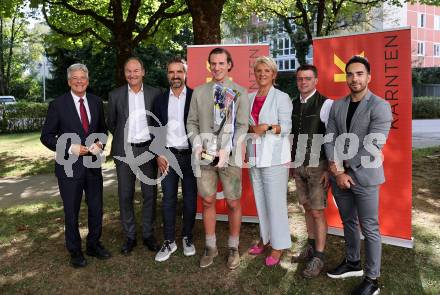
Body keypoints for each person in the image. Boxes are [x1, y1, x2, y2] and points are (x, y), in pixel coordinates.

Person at [324, 55, 392, 295]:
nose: (354, 78)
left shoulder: (380, 106)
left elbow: (373, 145)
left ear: (369, 77)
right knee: (349, 222)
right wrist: (336, 169)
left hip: (365, 177)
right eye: (350, 74)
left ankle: (372, 280)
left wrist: (345, 169)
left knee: (370, 227)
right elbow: (330, 137)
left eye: (359, 74)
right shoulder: (338, 105)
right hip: (339, 175)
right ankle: (353, 263)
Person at [41, 63, 110, 268]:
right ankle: (75, 251)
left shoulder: (97, 102)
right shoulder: (58, 104)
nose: (79, 81)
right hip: (69, 167)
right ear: (69, 81)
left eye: (83, 78)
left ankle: (93, 244)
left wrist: (100, 143)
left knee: (96, 208)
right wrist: (69, 147)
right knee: (71, 211)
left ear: (87, 81)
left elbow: (103, 131)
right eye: (75, 78)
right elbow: (46, 136)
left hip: (92, 165)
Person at [186, 47, 249, 269]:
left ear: (229, 65)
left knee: (233, 201)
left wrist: (228, 148)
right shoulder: (199, 92)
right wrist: (196, 142)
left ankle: (233, 247)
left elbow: (243, 126)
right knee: (208, 200)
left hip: (229, 158)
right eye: (213, 63)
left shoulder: (240, 92)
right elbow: (191, 122)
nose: (217, 67)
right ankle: (211, 246)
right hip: (204, 157)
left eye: (221, 63)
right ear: (209, 65)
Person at [107, 57, 161, 255]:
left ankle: (148, 234)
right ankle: (130, 236)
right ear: (124, 73)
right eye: (128, 71)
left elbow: (159, 121)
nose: (132, 74)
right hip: (124, 151)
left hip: (148, 150)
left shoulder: (156, 93)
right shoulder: (115, 95)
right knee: (125, 195)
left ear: (143, 72)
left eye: (136, 70)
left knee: (150, 194)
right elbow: (112, 123)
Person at [246, 56, 292, 266]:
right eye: (259, 71)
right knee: (260, 200)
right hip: (254, 156)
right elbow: (246, 126)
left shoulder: (281, 97)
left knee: (276, 203)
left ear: (274, 74)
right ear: (255, 74)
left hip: (275, 158)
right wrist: (252, 130)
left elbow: (287, 127)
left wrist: (268, 128)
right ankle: (266, 239)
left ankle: (279, 245)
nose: (262, 74)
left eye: (267, 71)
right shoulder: (249, 98)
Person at [152, 58, 197, 262]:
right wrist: (159, 153)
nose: (175, 75)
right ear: (167, 75)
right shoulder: (160, 100)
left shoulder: (195, 97)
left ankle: (188, 237)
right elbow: (154, 129)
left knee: (189, 200)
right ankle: (169, 241)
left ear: (185, 74)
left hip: (190, 156)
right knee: (168, 199)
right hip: (167, 156)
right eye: (171, 72)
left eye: (179, 71)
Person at [290, 64, 333, 277]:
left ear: (316, 80)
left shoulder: (326, 104)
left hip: (318, 166)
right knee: (306, 207)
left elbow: (332, 137)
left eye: (307, 78)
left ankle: (319, 256)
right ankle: (310, 244)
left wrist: (329, 168)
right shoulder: (292, 104)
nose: (303, 82)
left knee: (317, 211)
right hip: (298, 164)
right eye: (300, 79)